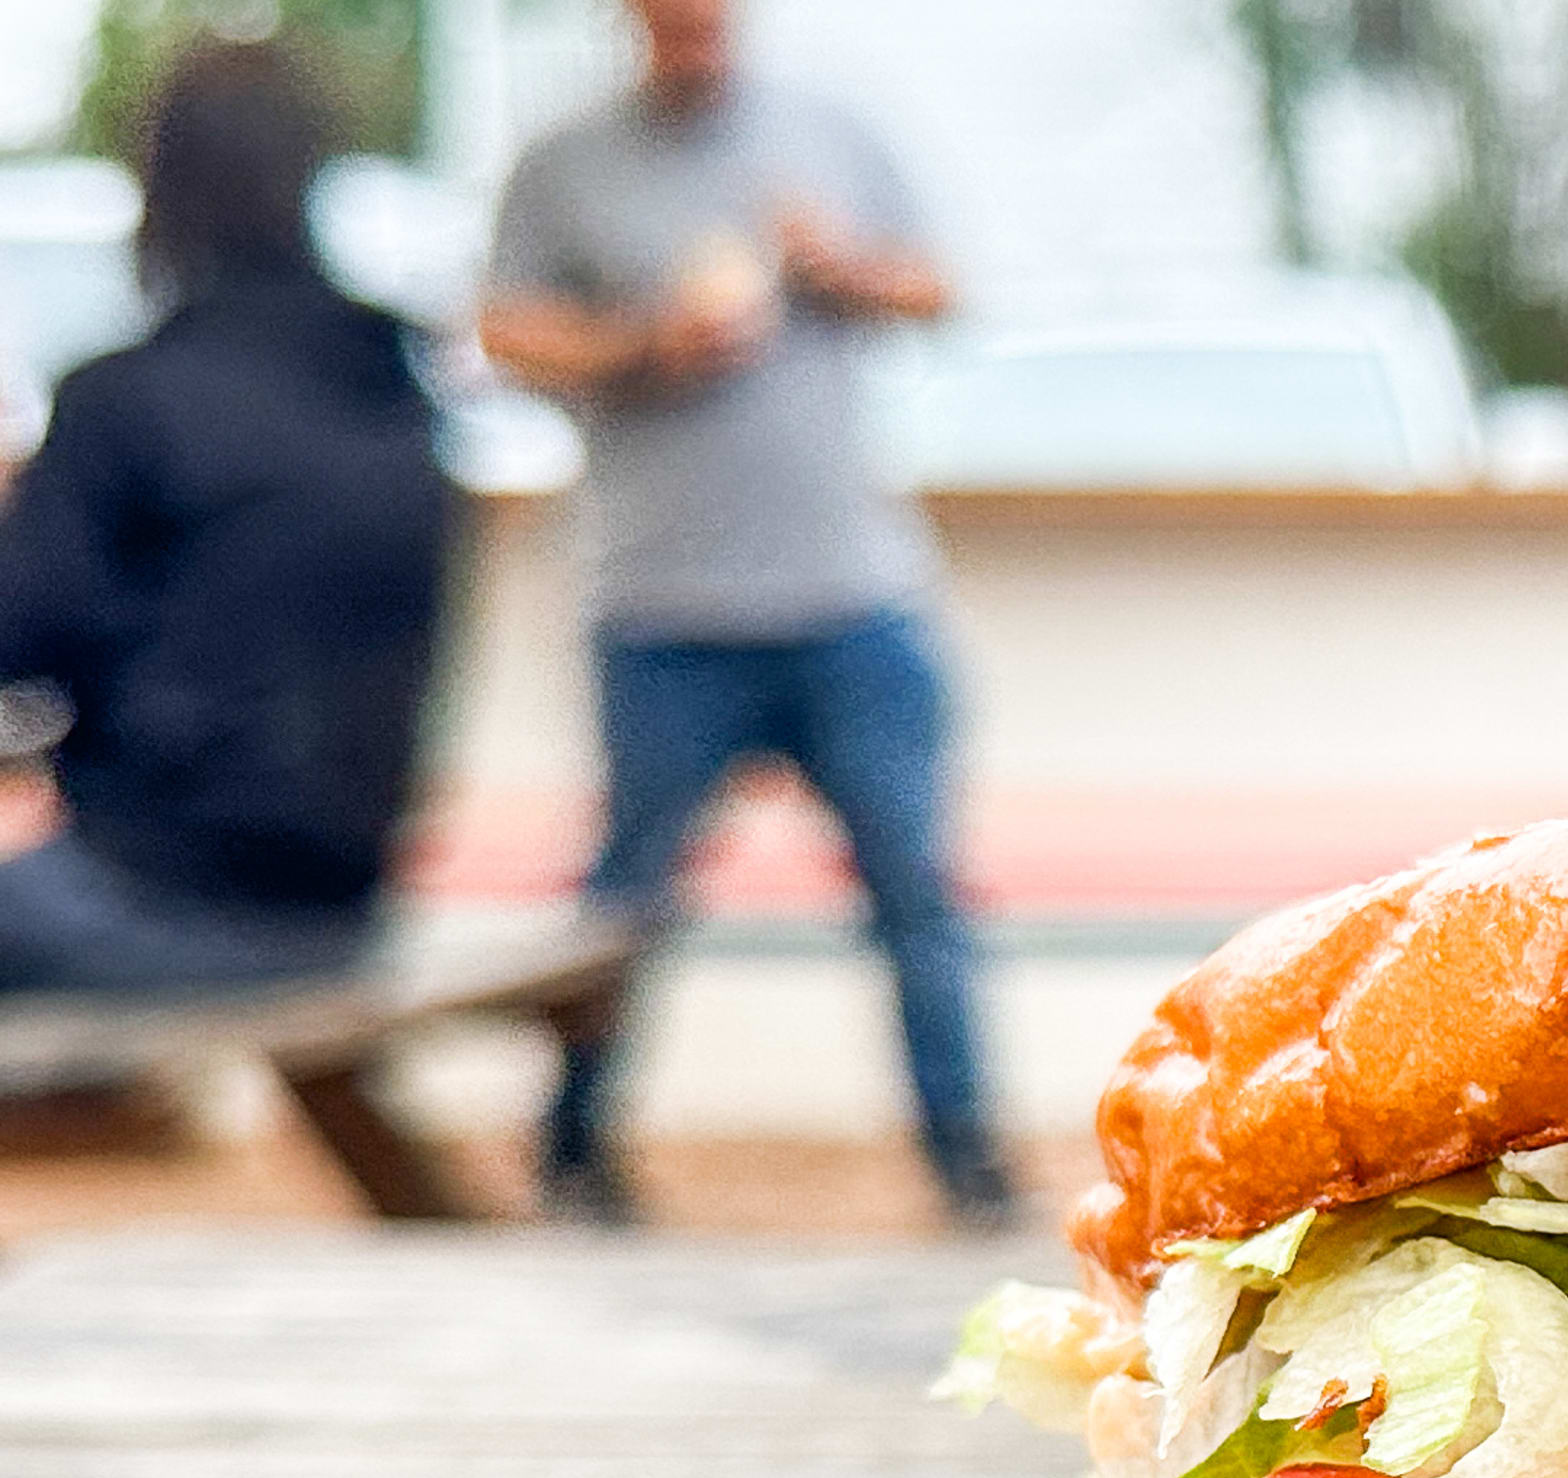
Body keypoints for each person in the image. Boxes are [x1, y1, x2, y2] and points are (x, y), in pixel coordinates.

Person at [478, 0, 1011, 1226]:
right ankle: (574, 1157)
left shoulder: (832, 135)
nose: (695, 38)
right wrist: (641, 342)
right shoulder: (563, 165)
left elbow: (939, 290)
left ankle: (965, 1160)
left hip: (851, 596)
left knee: (918, 895)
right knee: (625, 906)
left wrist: (840, 269)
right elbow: (502, 330)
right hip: (662, 608)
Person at [0, 40, 453, 1001]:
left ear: (158, 188)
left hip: (164, 900)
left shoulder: (126, 402)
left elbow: (24, 638)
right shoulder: (393, 388)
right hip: (346, 900)